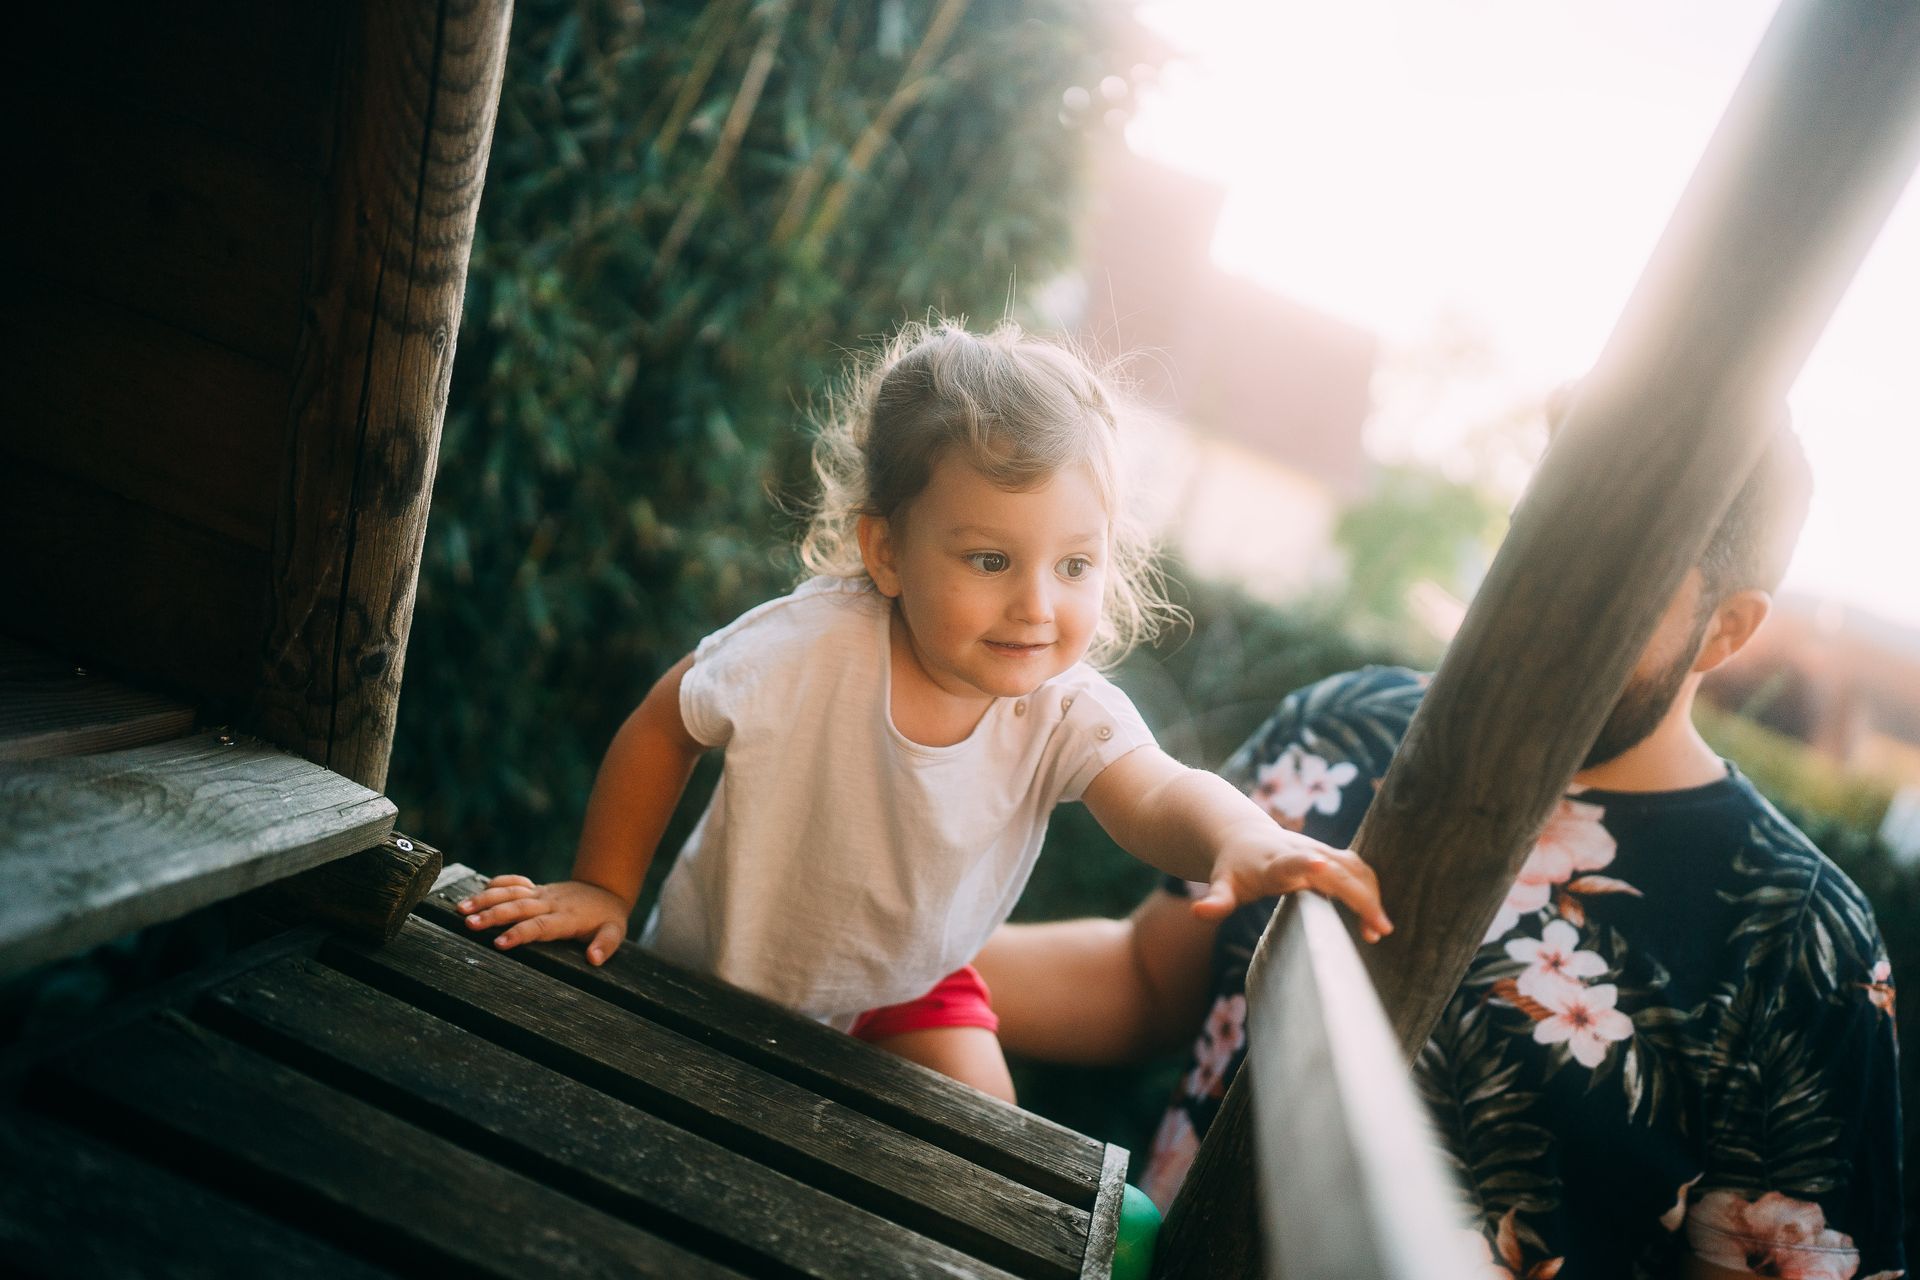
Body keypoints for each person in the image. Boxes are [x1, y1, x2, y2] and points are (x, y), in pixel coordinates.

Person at [977, 414, 1906, 1278]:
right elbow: (1148, 976)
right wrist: (880, 958)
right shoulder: (1352, 723)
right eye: (1534, 543)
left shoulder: (1798, 940)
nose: (1546, 607)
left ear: (1729, 630)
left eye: (1613, 587)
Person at [455, 321, 1394, 1102]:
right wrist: (605, 885)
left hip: (911, 992)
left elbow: (1156, 794)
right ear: (889, 552)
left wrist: (1239, 839)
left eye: (1074, 565)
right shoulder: (809, 648)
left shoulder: (1064, 713)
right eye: (991, 560)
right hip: (714, 971)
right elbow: (670, 721)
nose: (1036, 603)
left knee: (989, 1151)